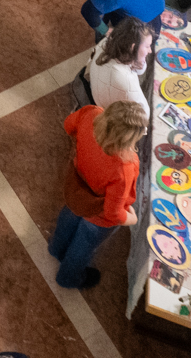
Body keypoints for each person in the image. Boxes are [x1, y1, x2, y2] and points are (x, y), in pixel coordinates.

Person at [48, 100, 145, 290]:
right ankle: (68, 278)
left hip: (77, 188)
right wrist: (132, 219)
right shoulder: (125, 167)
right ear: (129, 138)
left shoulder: (91, 114)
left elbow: (69, 125)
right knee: (83, 244)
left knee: (69, 216)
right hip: (98, 215)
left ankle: (56, 248)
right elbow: (112, 213)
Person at [79, 15, 151, 110]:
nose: (150, 50)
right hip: (107, 113)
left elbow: (140, 70)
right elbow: (144, 114)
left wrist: (139, 60)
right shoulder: (128, 85)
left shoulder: (105, 43)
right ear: (133, 47)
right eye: (147, 46)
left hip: (96, 95)